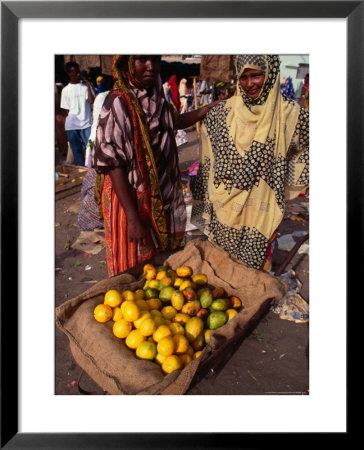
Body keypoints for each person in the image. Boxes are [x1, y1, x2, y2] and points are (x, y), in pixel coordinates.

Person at [92, 55, 219, 277]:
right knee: (130, 263)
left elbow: (174, 121)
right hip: (128, 197)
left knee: (155, 263)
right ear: (127, 64)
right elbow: (114, 165)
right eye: (142, 60)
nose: (151, 67)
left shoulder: (155, 97)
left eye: (155, 59)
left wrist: (207, 110)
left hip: (155, 192)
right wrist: (132, 217)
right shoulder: (117, 102)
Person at [191, 55, 309, 271]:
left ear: (271, 73)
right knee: (221, 273)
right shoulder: (223, 112)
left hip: (262, 212)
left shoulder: (290, 114)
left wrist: (287, 177)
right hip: (224, 210)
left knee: (254, 276)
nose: (249, 83)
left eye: (256, 75)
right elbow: (211, 162)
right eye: (243, 77)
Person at [60, 61, 95, 166]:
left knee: (91, 149)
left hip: (86, 124)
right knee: (77, 151)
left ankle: (91, 170)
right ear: (70, 74)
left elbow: (91, 100)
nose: (78, 74)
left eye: (78, 72)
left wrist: (88, 86)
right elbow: (66, 110)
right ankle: (82, 173)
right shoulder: (65, 90)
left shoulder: (85, 87)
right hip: (72, 126)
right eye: (75, 73)